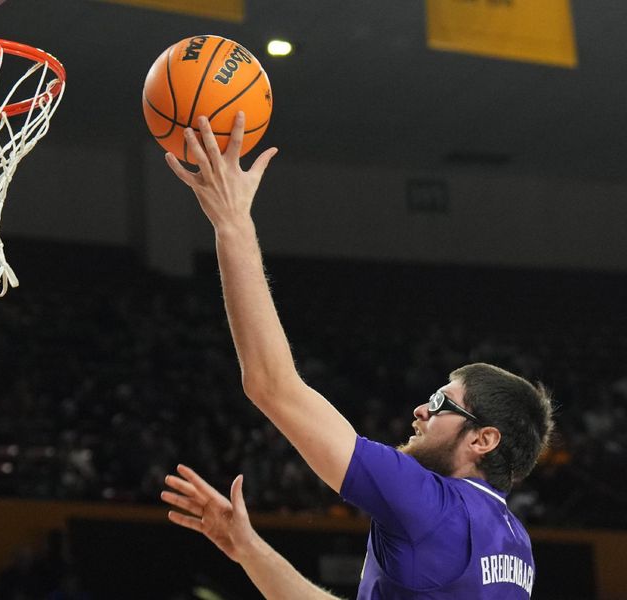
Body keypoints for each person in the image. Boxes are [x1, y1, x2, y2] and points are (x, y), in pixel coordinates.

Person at [160, 113, 554, 599]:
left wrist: (231, 223)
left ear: (484, 439)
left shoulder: (425, 503)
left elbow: (271, 385)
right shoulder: (517, 546)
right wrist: (248, 550)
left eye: (441, 403)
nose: (421, 410)